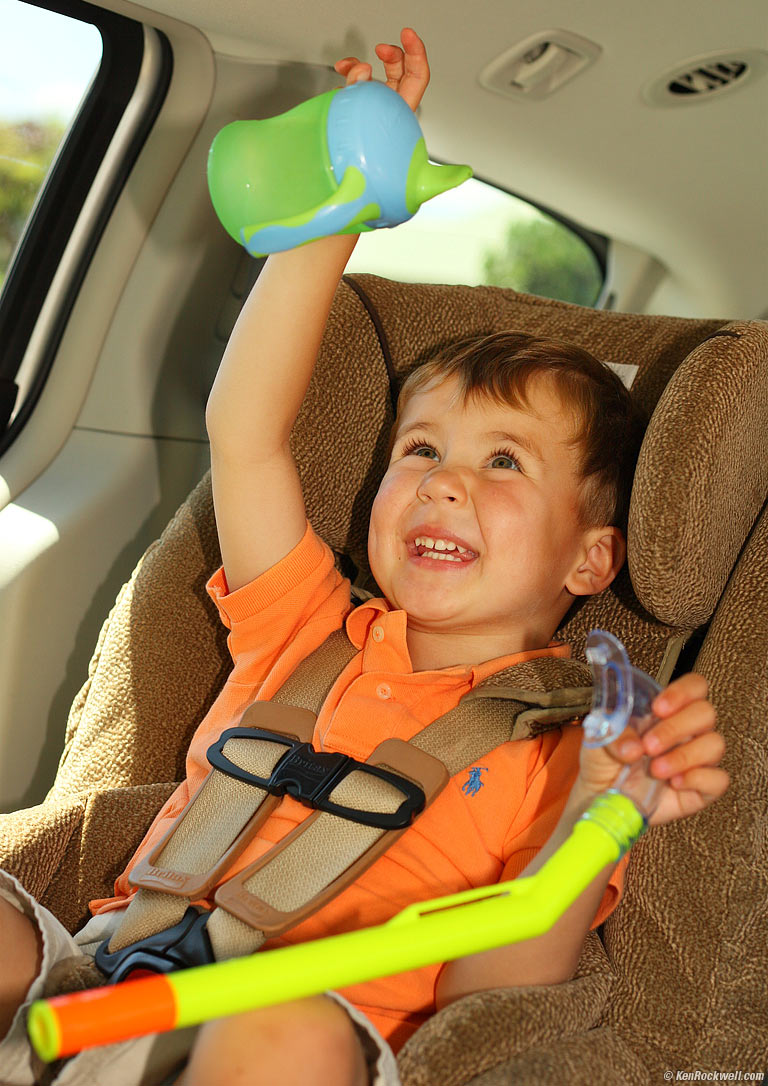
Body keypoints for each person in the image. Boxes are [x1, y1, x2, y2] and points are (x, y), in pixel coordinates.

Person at [0, 27, 727, 1086]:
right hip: (95, 985)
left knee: (279, 1030)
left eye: (504, 464)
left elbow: (496, 996)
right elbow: (245, 434)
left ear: (592, 557)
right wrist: (327, 219)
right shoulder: (301, 626)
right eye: (421, 450)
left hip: (298, 1041)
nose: (443, 482)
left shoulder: (570, 748)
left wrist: (594, 819)